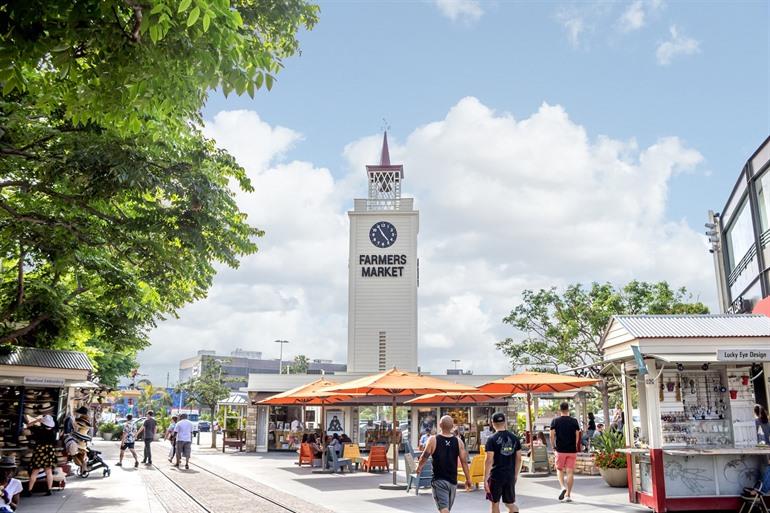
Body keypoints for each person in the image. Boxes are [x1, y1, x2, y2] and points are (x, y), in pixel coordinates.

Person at [416, 415, 472, 513]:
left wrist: (419, 467)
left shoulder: (433, 440)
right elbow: (464, 462)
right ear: (452, 426)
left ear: (440, 425)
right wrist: (468, 479)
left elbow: (424, 456)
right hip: (453, 482)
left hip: (439, 480)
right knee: (445, 509)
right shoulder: (458, 441)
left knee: (444, 510)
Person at [484, 413, 521, 513]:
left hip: (496, 475)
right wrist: (515, 474)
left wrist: (485, 478)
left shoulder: (491, 439)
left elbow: (489, 460)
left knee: (495, 503)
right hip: (509, 475)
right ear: (504, 422)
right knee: (509, 503)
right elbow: (519, 458)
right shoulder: (514, 438)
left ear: (492, 423)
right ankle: (515, 510)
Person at [550, 402, 581, 503]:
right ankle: (568, 495)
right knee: (570, 472)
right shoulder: (574, 421)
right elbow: (577, 435)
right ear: (568, 409)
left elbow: (552, 435)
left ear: (560, 410)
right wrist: (575, 445)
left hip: (560, 450)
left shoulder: (555, 421)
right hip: (572, 450)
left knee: (559, 469)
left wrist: (553, 446)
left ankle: (562, 487)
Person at [26, 415, 58, 495]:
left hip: (40, 451)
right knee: (48, 471)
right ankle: (49, 489)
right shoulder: (54, 431)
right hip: (50, 451)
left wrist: (37, 420)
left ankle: (29, 490)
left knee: (35, 471)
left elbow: (28, 425)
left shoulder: (38, 430)